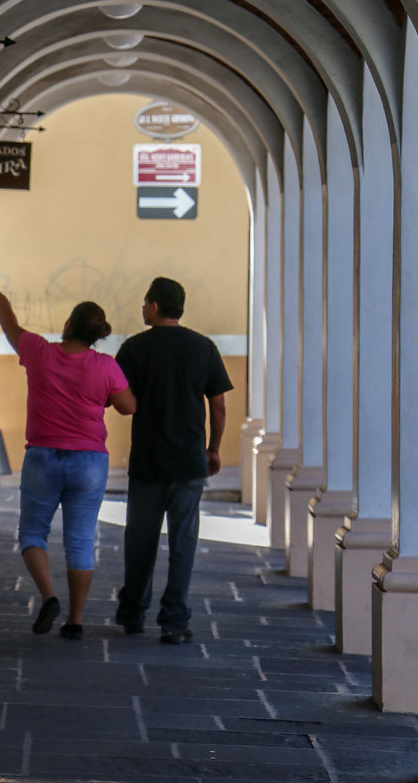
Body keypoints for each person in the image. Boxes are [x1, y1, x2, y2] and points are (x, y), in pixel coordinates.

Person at [0, 286, 135, 639]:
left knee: (32, 534)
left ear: (68, 325)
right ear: (98, 335)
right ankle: (76, 620)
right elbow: (129, 406)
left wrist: (4, 305)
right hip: (89, 462)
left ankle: (49, 596)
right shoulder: (105, 366)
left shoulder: (39, 352)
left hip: (42, 458)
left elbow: (12, 330)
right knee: (81, 541)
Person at [114, 276, 233, 644]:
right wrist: (214, 449)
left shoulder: (133, 349)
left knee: (140, 540)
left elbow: (120, 400)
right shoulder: (203, 348)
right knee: (183, 543)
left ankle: (133, 612)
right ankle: (175, 621)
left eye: (144, 303)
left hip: (148, 462)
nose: (142, 308)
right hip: (188, 463)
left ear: (152, 306)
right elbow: (218, 404)